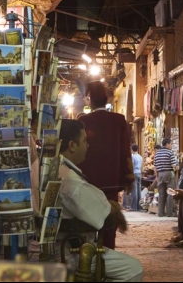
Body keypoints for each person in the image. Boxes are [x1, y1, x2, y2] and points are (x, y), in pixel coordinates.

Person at [57, 119, 144, 281]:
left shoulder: (40, 166)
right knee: (133, 269)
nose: (87, 146)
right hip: (66, 252)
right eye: (84, 141)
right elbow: (103, 213)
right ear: (71, 145)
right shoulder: (67, 178)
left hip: (45, 247)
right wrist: (113, 208)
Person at [77, 80, 134, 248]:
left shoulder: (82, 120)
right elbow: (125, 151)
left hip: (87, 181)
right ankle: (107, 253)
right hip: (111, 181)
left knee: (87, 219)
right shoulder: (118, 120)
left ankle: (88, 254)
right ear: (107, 99)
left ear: (89, 99)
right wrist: (128, 176)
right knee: (109, 220)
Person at [153, 137, 177, 217]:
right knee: (170, 192)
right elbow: (174, 165)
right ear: (166, 144)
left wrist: (157, 176)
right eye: (170, 144)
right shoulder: (170, 153)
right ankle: (170, 213)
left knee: (161, 194)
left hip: (160, 174)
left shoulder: (157, 153)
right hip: (169, 173)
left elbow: (155, 167)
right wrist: (176, 168)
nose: (171, 146)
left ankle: (160, 213)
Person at [129, 144, 143, 211]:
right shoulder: (140, 157)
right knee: (139, 190)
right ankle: (139, 206)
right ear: (137, 149)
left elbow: (132, 165)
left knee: (134, 190)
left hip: (134, 172)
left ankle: (134, 207)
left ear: (132, 149)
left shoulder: (132, 156)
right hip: (139, 172)